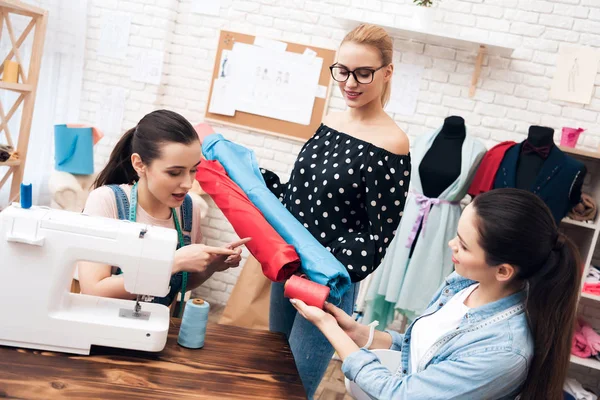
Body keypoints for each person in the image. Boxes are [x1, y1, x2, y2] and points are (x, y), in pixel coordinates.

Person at [292, 188, 581, 400]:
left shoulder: (503, 352)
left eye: (465, 246)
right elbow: (425, 351)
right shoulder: (463, 285)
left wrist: (329, 328)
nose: (451, 244)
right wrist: (360, 334)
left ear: (503, 271)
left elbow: (400, 395)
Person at [259, 23, 411, 398]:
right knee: (270, 370)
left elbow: (378, 235)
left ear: (387, 73)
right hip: (289, 264)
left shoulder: (392, 143)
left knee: (294, 386)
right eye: (342, 71)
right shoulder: (331, 120)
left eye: (363, 73)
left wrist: (326, 269)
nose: (350, 83)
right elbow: (299, 194)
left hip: (328, 282)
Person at [79, 109, 249, 315]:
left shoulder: (188, 209)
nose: (188, 183)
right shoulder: (107, 201)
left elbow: (180, 284)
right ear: (139, 164)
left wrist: (210, 266)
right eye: (174, 172)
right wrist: (173, 263)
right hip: (101, 332)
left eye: (193, 170)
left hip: (154, 332)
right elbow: (93, 290)